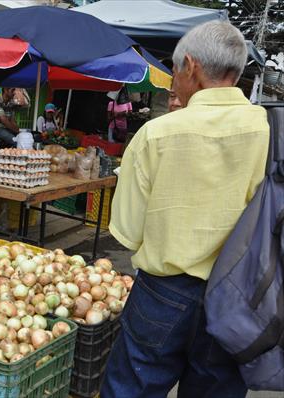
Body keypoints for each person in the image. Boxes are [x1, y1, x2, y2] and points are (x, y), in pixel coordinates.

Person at [102, 21, 269, 398]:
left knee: (132, 389)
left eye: (173, 71)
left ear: (190, 66)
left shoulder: (156, 134)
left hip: (163, 293)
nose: (172, 84)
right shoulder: (271, 131)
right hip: (238, 298)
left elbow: (127, 229)